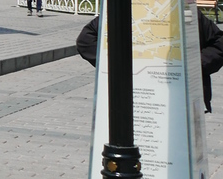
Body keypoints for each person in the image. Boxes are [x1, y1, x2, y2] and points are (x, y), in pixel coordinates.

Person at [77, 9, 223, 111]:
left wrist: (193, 65)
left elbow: (219, 43)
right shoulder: (125, 8)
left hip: (179, 99)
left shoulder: (185, 12)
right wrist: (120, 64)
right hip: (135, 98)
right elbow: (86, 40)